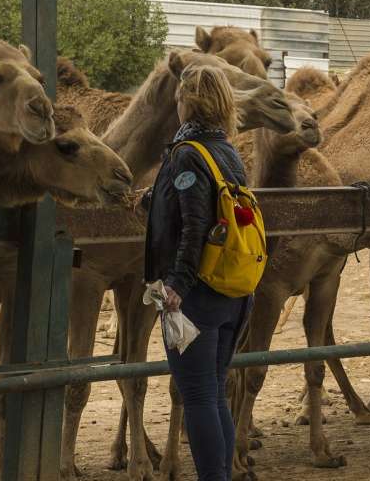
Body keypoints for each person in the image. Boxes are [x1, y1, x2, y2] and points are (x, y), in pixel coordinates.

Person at [144, 64, 250, 481]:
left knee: (199, 396)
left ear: (189, 100)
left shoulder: (187, 152)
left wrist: (175, 286)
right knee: (215, 393)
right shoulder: (227, 151)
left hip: (195, 297)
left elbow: (195, 225)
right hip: (232, 290)